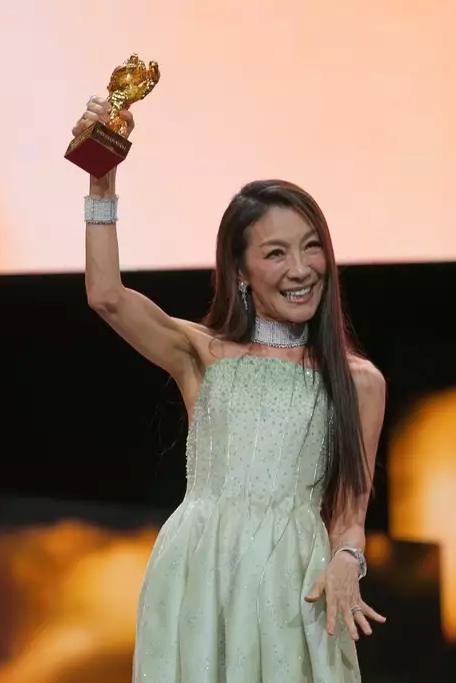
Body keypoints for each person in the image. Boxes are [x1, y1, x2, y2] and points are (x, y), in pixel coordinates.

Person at [75, 96, 387, 682]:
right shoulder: (202, 354)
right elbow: (106, 296)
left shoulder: (359, 382)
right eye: (276, 253)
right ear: (241, 271)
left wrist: (348, 557)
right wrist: (101, 181)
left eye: (311, 246)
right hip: (201, 575)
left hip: (296, 589)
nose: (301, 269)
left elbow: (351, 510)